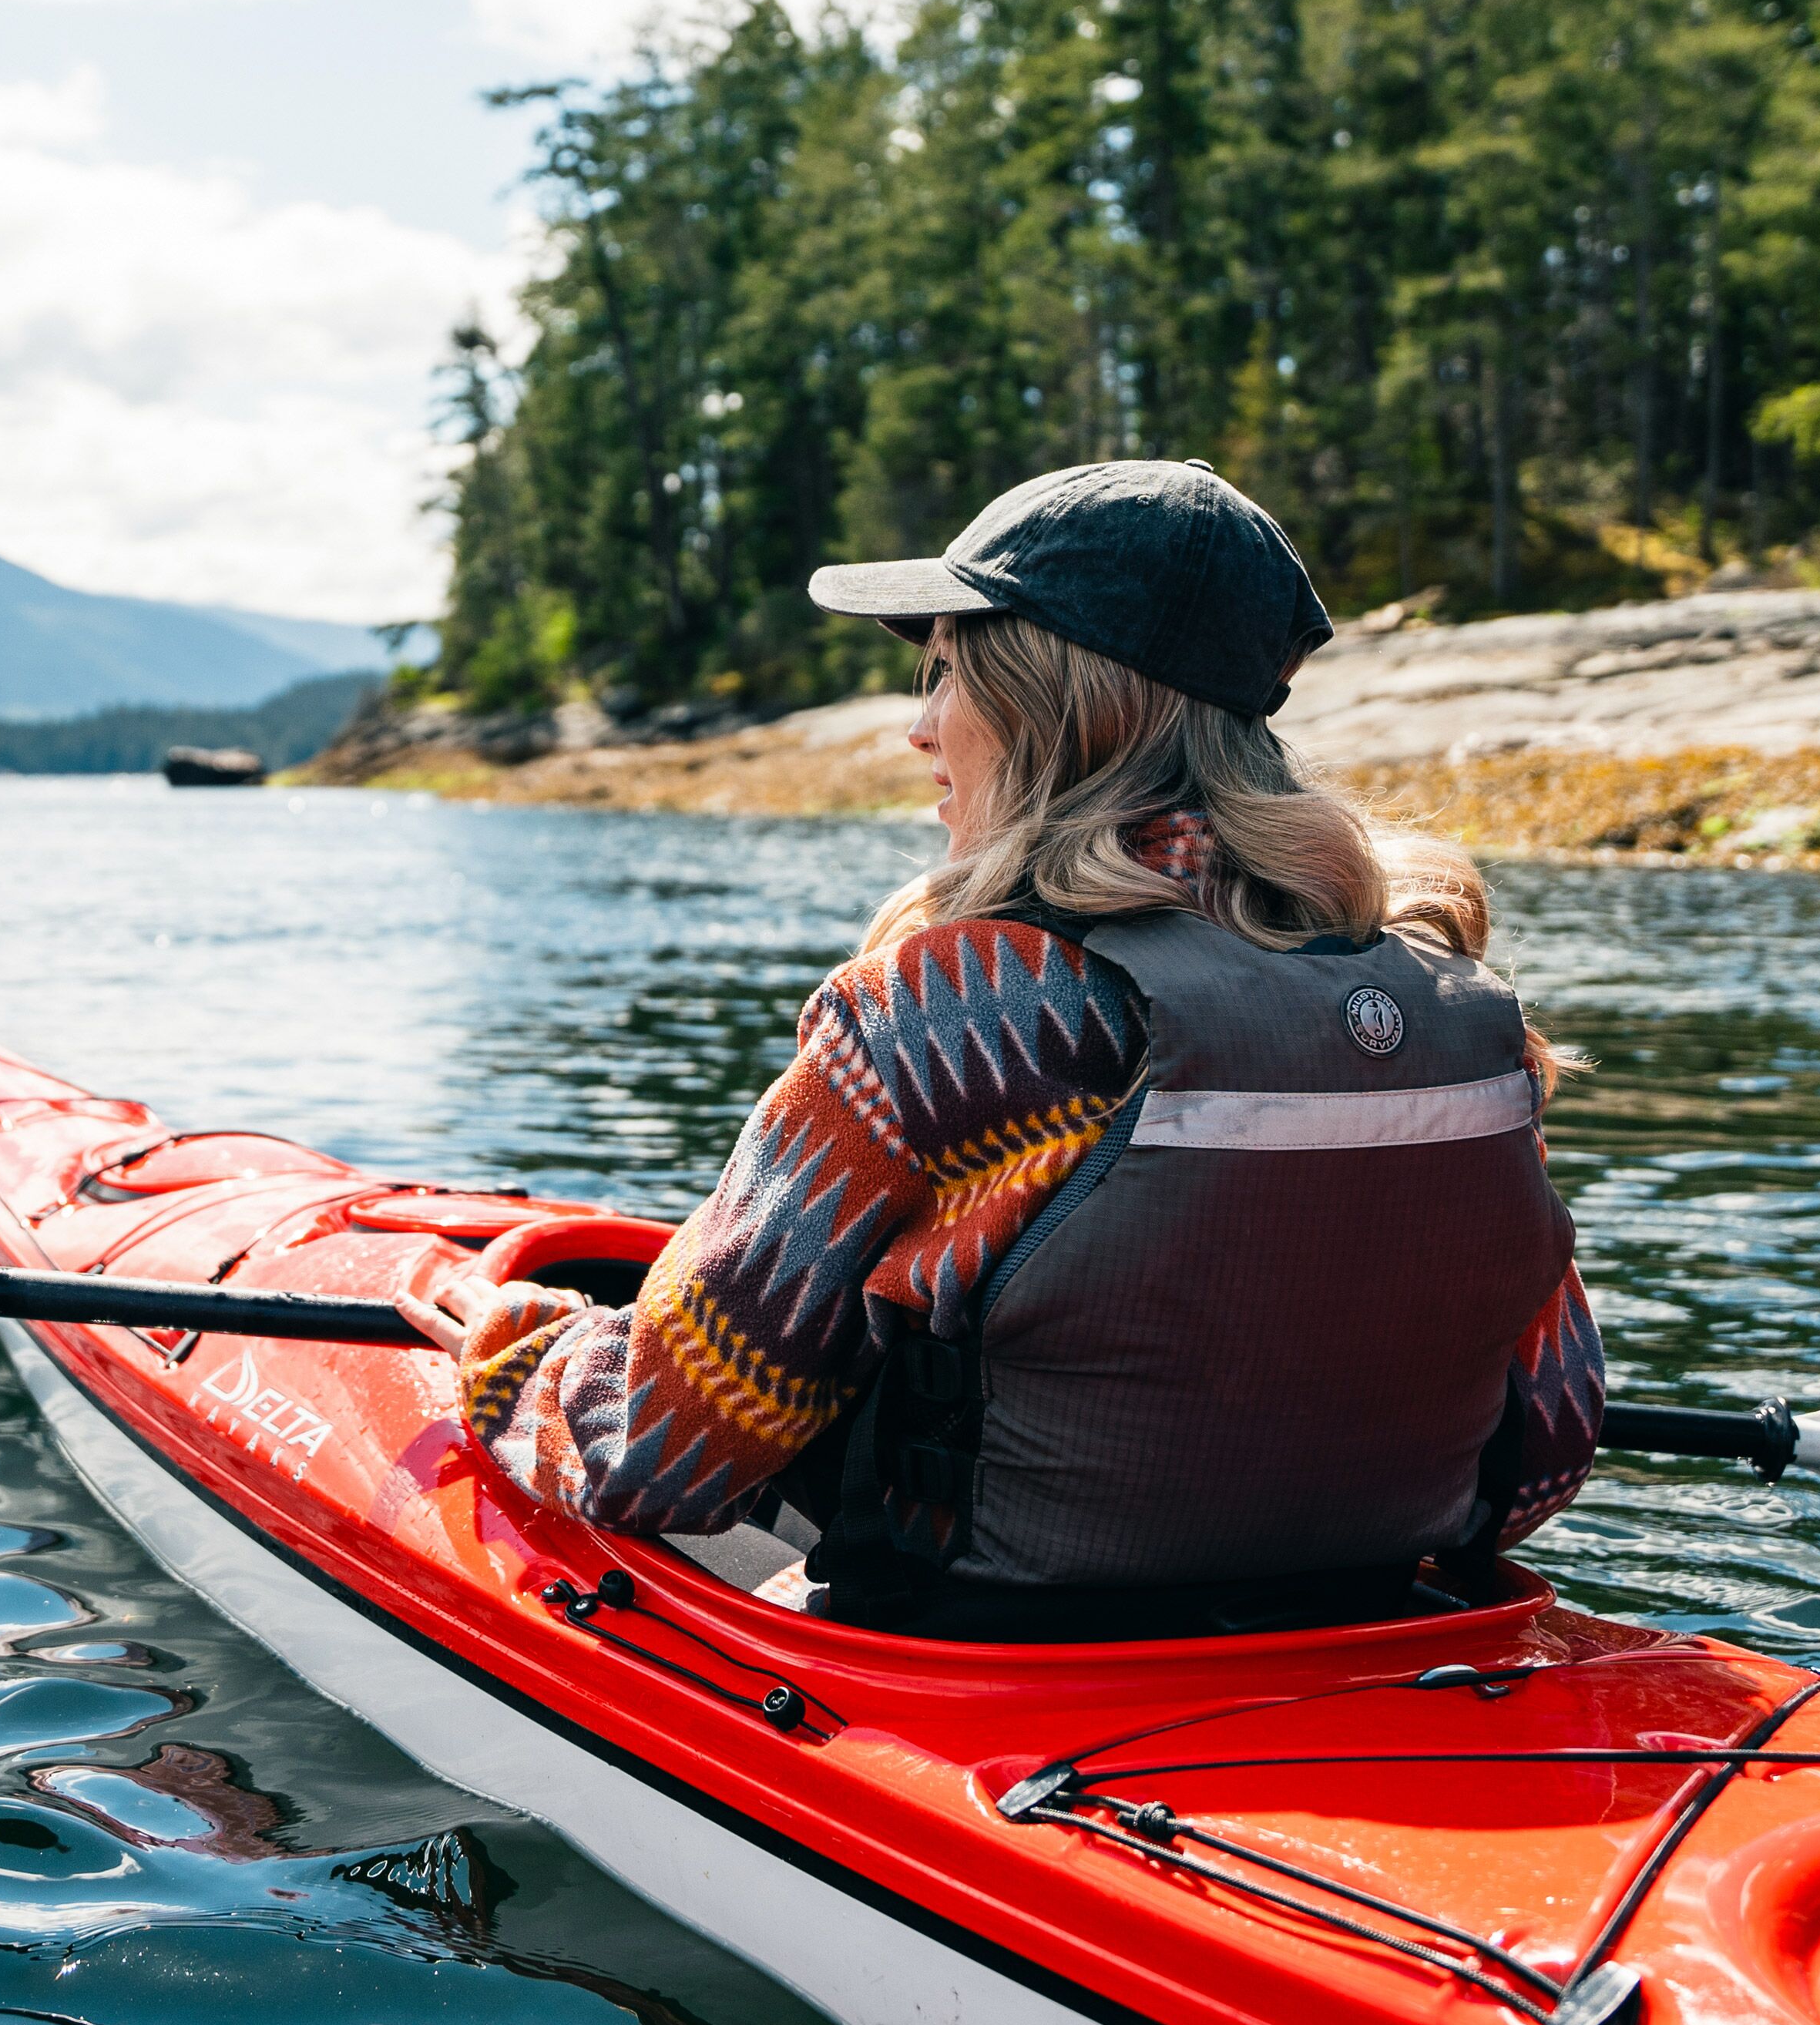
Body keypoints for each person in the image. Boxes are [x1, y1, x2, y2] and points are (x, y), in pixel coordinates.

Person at [453, 459, 1604, 1640]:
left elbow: (659, 1450)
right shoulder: (1465, 1012)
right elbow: (1547, 1449)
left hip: (989, 1664)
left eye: (944, 671)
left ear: (1041, 702)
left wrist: (497, 1342)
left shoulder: (945, 1015)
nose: (917, 727)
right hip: (1369, 1631)